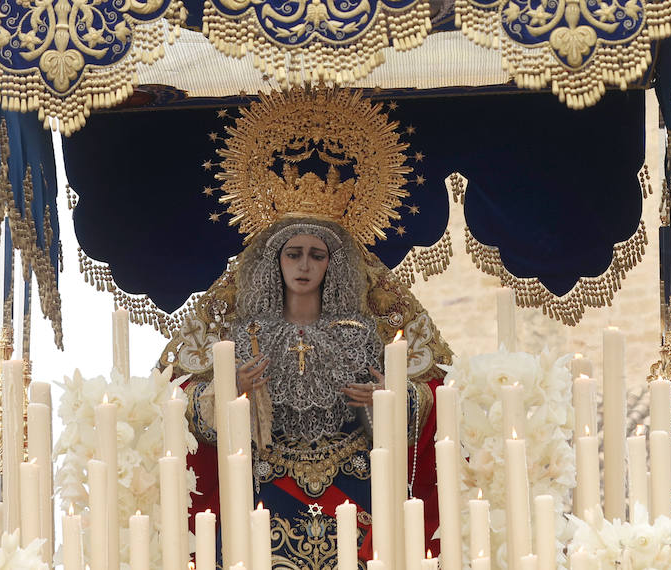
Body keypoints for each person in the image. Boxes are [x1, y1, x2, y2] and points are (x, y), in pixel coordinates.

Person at [160, 213, 452, 570]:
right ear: (275, 262)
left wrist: (387, 400)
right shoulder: (243, 335)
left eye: (317, 255)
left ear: (333, 263)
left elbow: (423, 407)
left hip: (356, 491)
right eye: (293, 253)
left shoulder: (361, 334)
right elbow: (187, 413)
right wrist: (231, 389)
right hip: (267, 491)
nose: (304, 266)